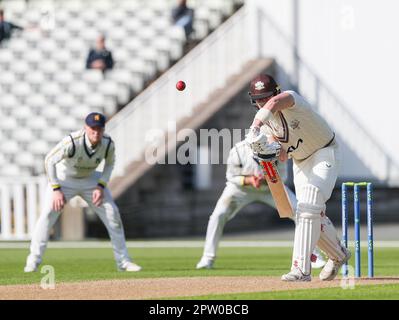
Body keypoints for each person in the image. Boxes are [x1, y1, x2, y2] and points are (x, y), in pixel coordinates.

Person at [245, 74, 350, 282]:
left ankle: (301, 270)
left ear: (275, 92)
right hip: (301, 163)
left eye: (265, 97)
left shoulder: (290, 99)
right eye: (258, 99)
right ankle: (339, 255)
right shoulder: (268, 127)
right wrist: (267, 151)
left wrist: (254, 127)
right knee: (308, 212)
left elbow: (275, 103)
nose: (262, 102)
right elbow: (283, 155)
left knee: (310, 203)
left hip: (324, 152)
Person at [24, 112, 141, 272]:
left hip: (90, 180)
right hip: (64, 178)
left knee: (113, 214)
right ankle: (33, 261)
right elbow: (49, 160)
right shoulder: (73, 141)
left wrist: (101, 185)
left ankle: (123, 262)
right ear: (86, 128)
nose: (96, 132)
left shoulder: (107, 144)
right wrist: (56, 189)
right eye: (92, 128)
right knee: (47, 215)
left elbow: (110, 164)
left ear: (103, 129)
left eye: (99, 129)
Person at [196, 140, 326, 270]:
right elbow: (230, 176)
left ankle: (313, 256)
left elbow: (283, 177)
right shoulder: (238, 150)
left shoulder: (277, 150)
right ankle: (207, 258)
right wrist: (248, 180)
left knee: (301, 213)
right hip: (241, 189)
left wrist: (265, 180)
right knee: (218, 215)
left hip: (271, 188)